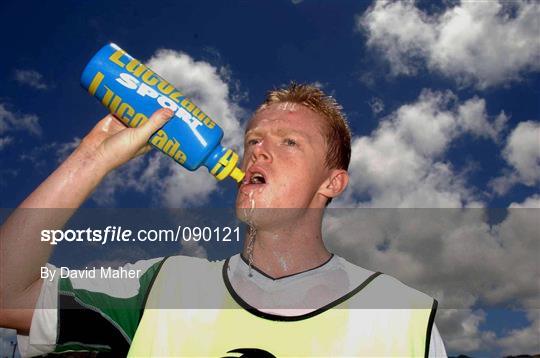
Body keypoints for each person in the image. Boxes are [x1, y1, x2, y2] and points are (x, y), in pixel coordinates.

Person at [0, 83, 447, 357]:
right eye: (253, 139)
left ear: (332, 183)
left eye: (289, 142)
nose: (257, 151)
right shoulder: (161, 287)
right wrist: (91, 160)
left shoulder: (403, 316)